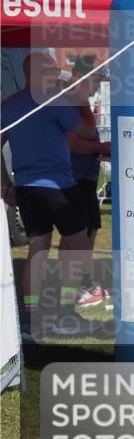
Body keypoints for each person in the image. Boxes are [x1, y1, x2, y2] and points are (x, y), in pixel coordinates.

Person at [0, 54, 99, 333]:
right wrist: (83, 102)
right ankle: (66, 313)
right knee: (77, 248)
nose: (57, 75)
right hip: (60, 187)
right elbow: (88, 131)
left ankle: (31, 319)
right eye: (53, 70)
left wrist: (6, 184)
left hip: (27, 188)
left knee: (37, 250)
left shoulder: (9, 105)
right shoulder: (55, 101)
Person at [66, 58, 112, 308]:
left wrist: (99, 149)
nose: (97, 85)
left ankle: (75, 286)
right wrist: (102, 147)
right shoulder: (72, 102)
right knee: (83, 233)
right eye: (96, 79)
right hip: (77, 177)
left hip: (83, 176)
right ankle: (82, 288)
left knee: (82, 231)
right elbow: (73, 143)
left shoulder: (79, 101)